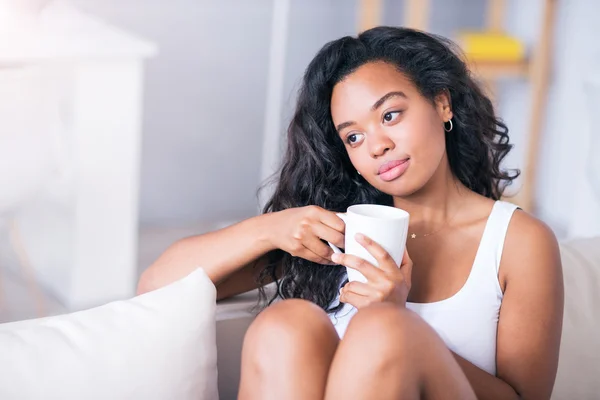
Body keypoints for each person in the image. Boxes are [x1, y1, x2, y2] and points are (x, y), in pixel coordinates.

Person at [137, 26, 563, 400]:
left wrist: (394, 316)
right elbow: (158, 285)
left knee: (385, 332)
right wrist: (273, 228)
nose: (376, 145)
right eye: (354, 137)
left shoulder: (519, 241)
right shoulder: (342, 232)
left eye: (391, 115)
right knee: (288, 322)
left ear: (442, 104)